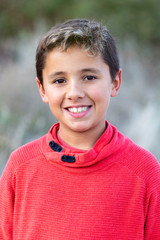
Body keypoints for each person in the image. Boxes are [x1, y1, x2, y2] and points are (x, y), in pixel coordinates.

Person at [0, 19, 160, 240]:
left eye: (89, 77)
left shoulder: (143, 170)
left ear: (115, 82)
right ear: (42, 89)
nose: (74, 92)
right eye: (59, 80)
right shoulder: (21, 166)